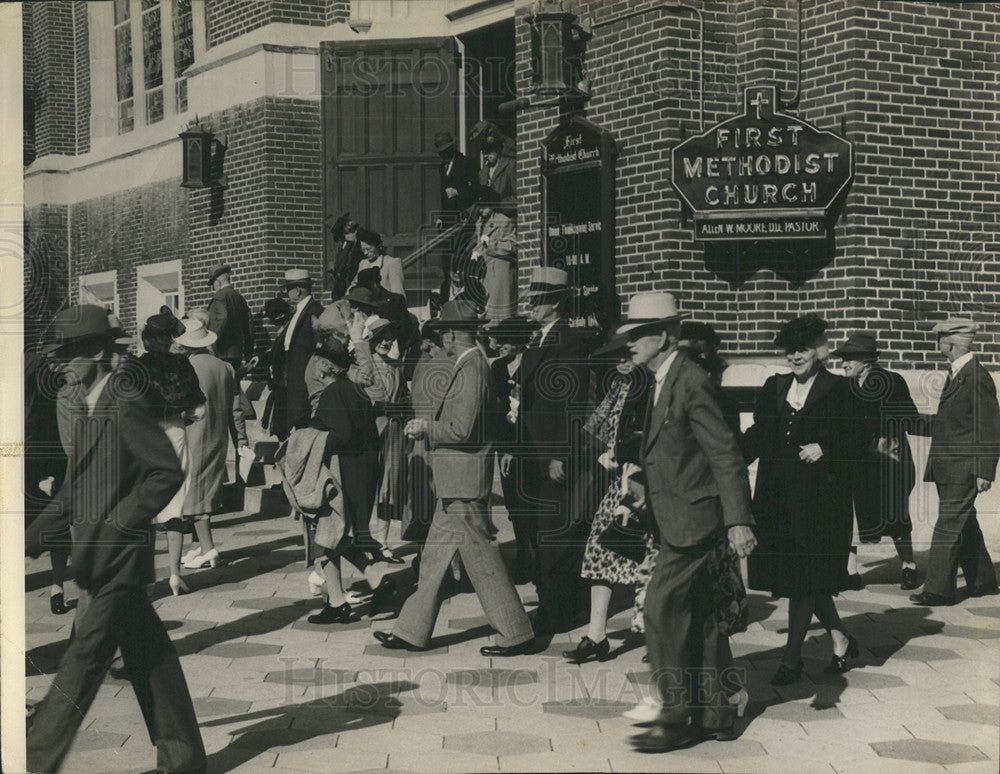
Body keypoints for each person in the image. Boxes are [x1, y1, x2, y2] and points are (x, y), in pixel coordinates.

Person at [25, 305, 205, 774]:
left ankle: (33, 759)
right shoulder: (89, 400)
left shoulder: (123, 401)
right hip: (99, 553)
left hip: (117, 556)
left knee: (81, 661)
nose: (61, 366)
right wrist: (34, 534)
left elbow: (165, 473)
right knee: (153, 658)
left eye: (68, 355)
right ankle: (183, 758)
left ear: (97, 352)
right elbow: (78, 484)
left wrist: (116, 526)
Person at [620, 292, 756, 753]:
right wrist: (644, 483)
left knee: (660, 608)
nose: (629, 343)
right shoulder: (663, 378)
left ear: (663, 334)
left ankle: (672, 715)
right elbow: (679, 448)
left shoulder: (689, 378)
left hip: (695, 519)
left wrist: (739, 520)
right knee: (701, 617)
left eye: (638, 334)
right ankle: (716, 716)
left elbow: (724, 452)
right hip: (677, 512)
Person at [374, 300, 535, 656]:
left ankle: (516, 632)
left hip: (463, 480)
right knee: (433, 559)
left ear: (451, 333)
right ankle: (410, 631)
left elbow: (462, 430)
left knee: (483, 559)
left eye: (443, 331)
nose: (441, 339)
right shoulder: (472, 364)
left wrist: (425, 426)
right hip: (456, 481)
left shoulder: (472, 367)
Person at [742, 316, 863, 688]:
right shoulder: (775, 386)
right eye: (790, 350)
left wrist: (826, 448)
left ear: (819, 351)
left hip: (821, 501)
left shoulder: (838, 388)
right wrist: (726, 464)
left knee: (802, 581)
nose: (795, 356)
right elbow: (759, 434)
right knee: (804, 578)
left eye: (803, 349)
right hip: (778, 498)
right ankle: (840, 637)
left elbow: (860, 437)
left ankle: (791, 659)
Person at [564, 332, 657, 664]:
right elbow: (595, 429)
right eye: (615, 357)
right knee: (600, 549)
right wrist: (593, 453)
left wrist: (621, 453)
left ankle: (659, 636)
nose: (620, 362)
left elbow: (653, 437)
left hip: (646, 481)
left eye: (626, 355)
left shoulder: (652, 387)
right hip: (619, 481)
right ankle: (596, 635)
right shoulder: (621, 387)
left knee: (650, 559)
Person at [517, 267, 591, 635]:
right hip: (532, 453)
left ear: (555, 303)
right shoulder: (540, 340)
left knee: (555, 537)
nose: (531, 305)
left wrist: (562, 454)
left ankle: (558, 612)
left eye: (538, 299)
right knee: (539, 533)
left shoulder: (568, 340)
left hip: (553, 457)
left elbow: (573, 403)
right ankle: (552, 602)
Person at [303, 338, 398, 624]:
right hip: (362, 471)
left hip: (342, 473)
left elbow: (341, 435)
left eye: (319, 361)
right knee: (336, 537)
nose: (315, 365)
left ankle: (363, 585)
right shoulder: (356, 390)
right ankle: (347, 594)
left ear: (327, 366)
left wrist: (311, 440)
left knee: (329, 535)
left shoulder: (333, 393)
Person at [909, 319, 999, 605]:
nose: (939, 346)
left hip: (963, 467)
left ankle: (938, 590)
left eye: (940, 341)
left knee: (948, 523)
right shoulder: (960, 374)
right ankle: (983, 580)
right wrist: (909, 423)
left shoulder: (976, 377)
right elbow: (953, 423)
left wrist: (985, 470)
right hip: (950, 466)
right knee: (964, 521)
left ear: (950, 344)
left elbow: (990, 426)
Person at [833, 332, 921, 591]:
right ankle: (850, 572)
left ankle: (908, 566)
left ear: (866, 360)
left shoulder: (892, 381)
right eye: (843, 359)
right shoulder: (843, 387)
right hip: (855, 463)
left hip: (889, 463)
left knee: (897, 518)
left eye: (849, 359)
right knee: (849, 516)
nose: (844, 364)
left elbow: (910, 418)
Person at [138, 315, 207, 595]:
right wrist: (182, 416)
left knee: (146, 510)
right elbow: (200, 410)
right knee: (174, 508)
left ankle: (145, 580)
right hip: (175, 435)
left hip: (143, 438)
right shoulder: (182, 365)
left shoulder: (137, 367)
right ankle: (175, 575)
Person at [176, 318, 236, 572]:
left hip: (194, 434)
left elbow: (185, 406)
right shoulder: (225, 367)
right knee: (206, 491)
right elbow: (236, 407)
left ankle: (209, 547)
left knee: (195, 495)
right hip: (218, 435)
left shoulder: (187, 368)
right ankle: (202, 545)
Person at [486, 316, 537, 583]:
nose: (498, 345)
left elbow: (533, 411)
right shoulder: (497, 368)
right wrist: (503, 446)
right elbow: (498, 410)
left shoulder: (533, 363)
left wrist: (515, 449)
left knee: (531, 501)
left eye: (505, 340)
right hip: (505, 445)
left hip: (529, 445)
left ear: (519, 340)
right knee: (514, 504)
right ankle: (523, 555)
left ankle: (536, 557)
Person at [25, 347, 72, 615]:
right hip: (54, 451)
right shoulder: (61, 382)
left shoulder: (28, 366)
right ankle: (57, 587)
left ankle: (57, 587)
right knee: (59, 522)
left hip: (32, 452)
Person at [363, 316, 409, 563]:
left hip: (394, 434)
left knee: (389, 488)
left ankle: (382, 542)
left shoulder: (396, 366)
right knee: (368, 486)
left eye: (390, 338)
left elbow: (403, 396)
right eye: (381, 337)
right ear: (371, 339)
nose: (386, 342)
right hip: (371, 432)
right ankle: (363, 540)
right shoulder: (362, 366)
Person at [269, 269, 324, 439]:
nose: (287, 293)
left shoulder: (314, 311)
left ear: (298, 290)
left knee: (302, 427)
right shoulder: (297, 312)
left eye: (288, 289)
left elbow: (319, 346)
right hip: (289, 382)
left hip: (304, 381)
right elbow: (286, 346)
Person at [469, 190, 518, 321]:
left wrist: (491, 243)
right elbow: (480, 244)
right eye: (479, 207)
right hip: (485, 273)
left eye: (484, 207)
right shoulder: (479, 223)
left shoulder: (504, 221)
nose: (481, 210)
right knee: (486, 315)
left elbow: (512, 247)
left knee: (499, 316)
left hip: (500, 273)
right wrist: (476, 251)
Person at [206, 264, 254, 372]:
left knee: (222, 386)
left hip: (220, 353)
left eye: (213, 284)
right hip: (236, 353)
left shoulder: (219, 296)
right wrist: (248, 353)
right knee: (234, 385)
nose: (213, 288)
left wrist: (210, 345)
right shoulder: (240, 298)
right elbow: (249, 327)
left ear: (218, 281)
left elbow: (221, 319)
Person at [435, 130, 476, 225]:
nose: (442, 155)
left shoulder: (466, 163)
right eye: (440, 153)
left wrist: (458, 192)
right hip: (449, 219)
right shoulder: (442, 167)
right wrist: (441, 217)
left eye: (445, 151)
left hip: (465, 216)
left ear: (452, 148)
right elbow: (445, 198)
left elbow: (475, 190)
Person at [355, 228, 406, 301]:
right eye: (363, 250)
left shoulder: (392, 263)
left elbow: (399, 297)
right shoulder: (363, 263)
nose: (365, 253)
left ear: (378, 246)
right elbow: (353, 287)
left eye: (368, 249)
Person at [328, 212, 364, 300]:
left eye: (350, 232)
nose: (346, 236)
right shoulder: (345, 246)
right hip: (342, 291)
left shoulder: (359, 246)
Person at [478, 134, 516, 205]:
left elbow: (518, 196)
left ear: (497, 150)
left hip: (507, 214)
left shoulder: (510, 165)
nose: (485, 156)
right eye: (484, 152)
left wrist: (499, 206)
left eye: (489, 152)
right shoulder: (482, 172)